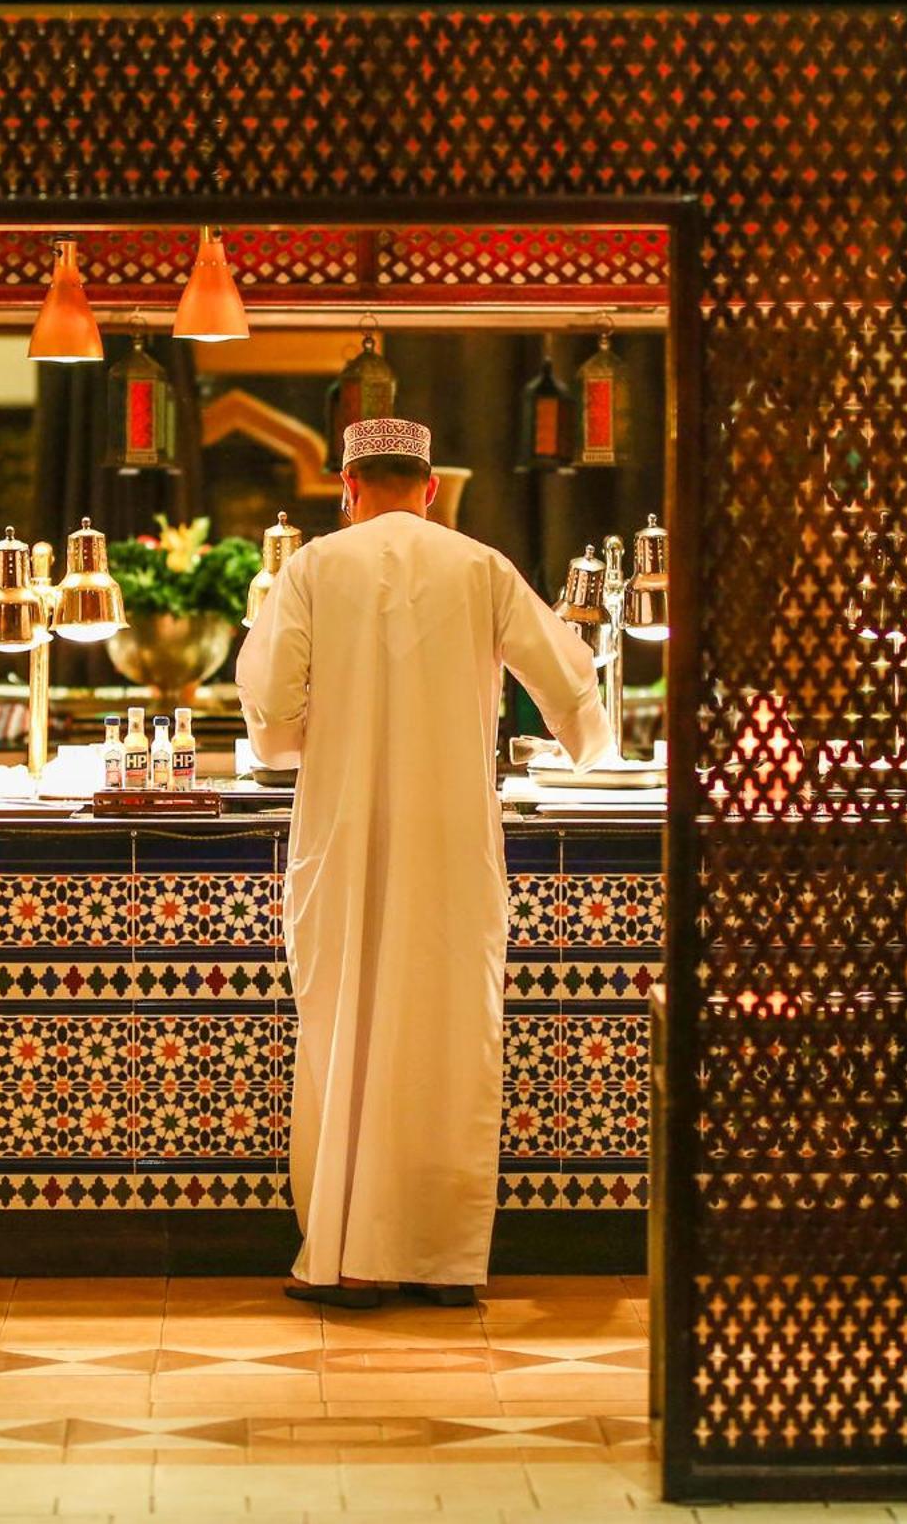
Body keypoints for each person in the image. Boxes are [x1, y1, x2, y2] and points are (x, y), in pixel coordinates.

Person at [236, 416, 611, 1309]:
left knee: (347, 1031)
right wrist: (589, 751)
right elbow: (569, 679)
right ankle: (442, 1263)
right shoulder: (481, 567)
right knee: (446, 1033)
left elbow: (268, 699)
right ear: (432, 486)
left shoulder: (312, 568)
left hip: (344, 828)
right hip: (454, 838)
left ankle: (352, 1259)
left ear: (346, 485)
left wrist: (294, 741)